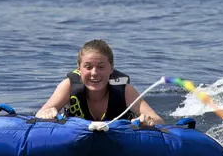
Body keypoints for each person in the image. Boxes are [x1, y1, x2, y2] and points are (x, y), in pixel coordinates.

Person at [36, 39, 165, 128]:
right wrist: (48, 114)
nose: (94, 73)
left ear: (111, 68)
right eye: (88, 67)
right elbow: (39, 115)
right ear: (79, 69)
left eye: (101, 67)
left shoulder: (125, 90)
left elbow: (159, 121)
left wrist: (146, 120)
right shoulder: (68, 86)